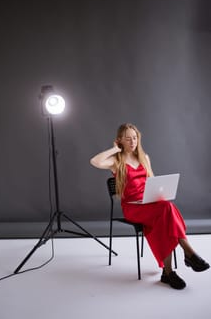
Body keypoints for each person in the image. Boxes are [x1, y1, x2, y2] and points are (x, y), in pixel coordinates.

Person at [90, 123, 210, 290]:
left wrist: (159, 192)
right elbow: (95, 161)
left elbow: (152, 181)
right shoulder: (116, 161)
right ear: (120, 141)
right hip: (133, 208)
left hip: (150, 204)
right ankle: (188, 254)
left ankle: (168, 272)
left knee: (165, 211)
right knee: (166, 210)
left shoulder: (144, 158)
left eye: (135, 138)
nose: (132, 142)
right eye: (128, 139)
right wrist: (115, 150)